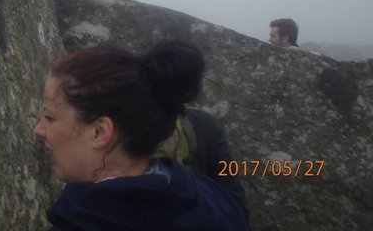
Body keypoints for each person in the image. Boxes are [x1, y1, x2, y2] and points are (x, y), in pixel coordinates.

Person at [33, 41, 248, 230]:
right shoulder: (212, 199)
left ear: (100, 132)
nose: (38, 130)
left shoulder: (86, 219)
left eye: (50, 117)